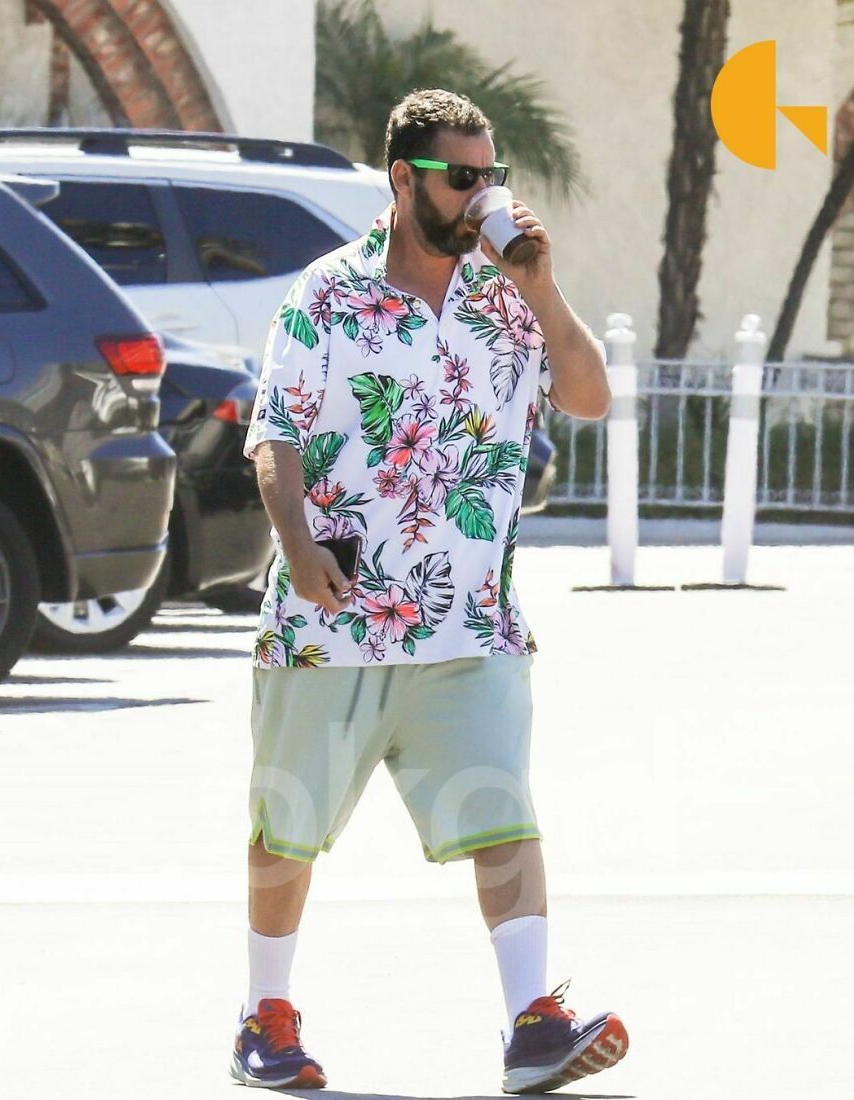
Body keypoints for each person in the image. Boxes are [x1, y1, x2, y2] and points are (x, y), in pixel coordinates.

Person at [230, 88, 628, 1094]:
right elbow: (275, 433)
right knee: (289, 823)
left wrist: (540, 285)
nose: (480, 193)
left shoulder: (506, 297)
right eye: (461, 176)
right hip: (333, 619)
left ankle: (533, 1024)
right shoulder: (327, 292)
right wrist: (296, 546)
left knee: (503, 813)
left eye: (491, 175)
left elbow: (589, 396)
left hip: (470, 617)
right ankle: (264, 1014)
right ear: (403, 179)